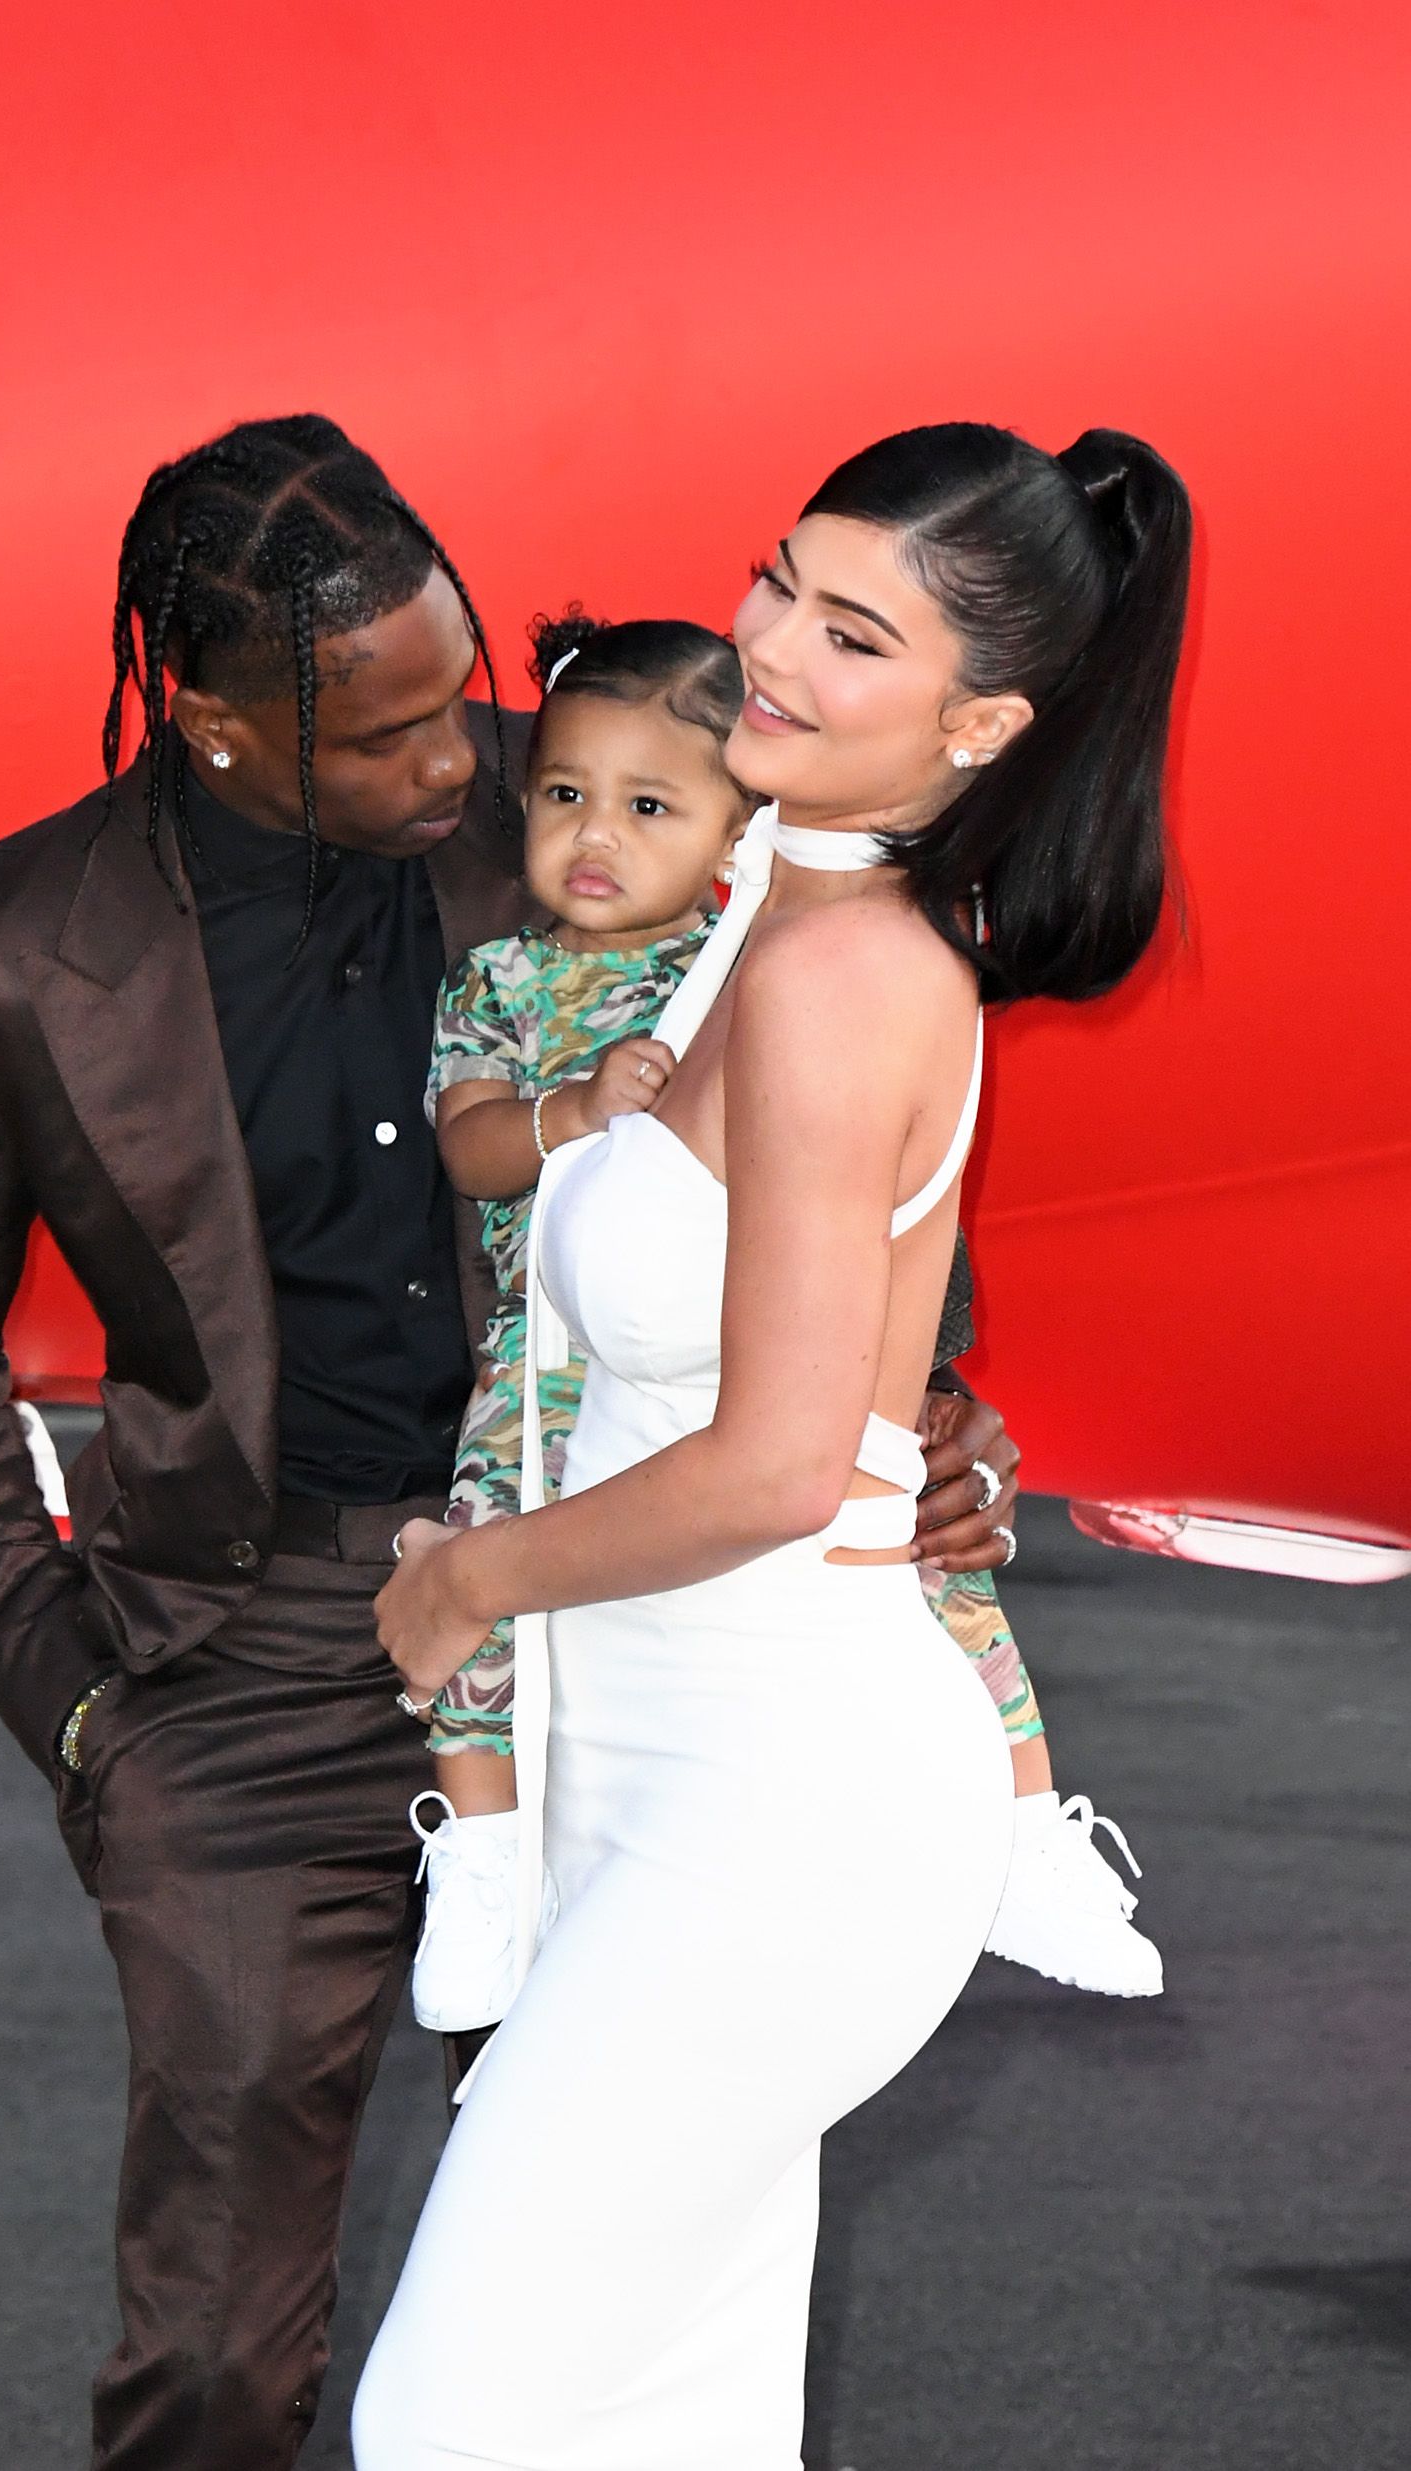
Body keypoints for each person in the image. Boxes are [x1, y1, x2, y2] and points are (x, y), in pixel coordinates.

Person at [0, 411, 1021, 2470]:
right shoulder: (12, 949)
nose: (460, 766)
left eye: (457, 688)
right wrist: (74, 1700)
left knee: (616, 2319)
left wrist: (920, 1420)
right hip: (244, 1662)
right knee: (209, 2353)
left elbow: (821, 1175)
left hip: (613, 1627)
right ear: (208, 721)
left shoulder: (617, 807)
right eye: (382, 738)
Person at [355, 420, 1191, 2468]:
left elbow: (779, 1462)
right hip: (643, 1769)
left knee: (452, 2425)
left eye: (850, 634)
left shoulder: (840, 975)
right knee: (659, 2427)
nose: (769, 653)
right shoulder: (754, 908)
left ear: (979, 723)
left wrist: (460, 1579)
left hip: (775, 1803)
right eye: (773, 584)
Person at [413, 610, 1158, 2035]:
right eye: (565, 796)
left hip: (755, 1373)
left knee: (929, 1562)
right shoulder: (498, 983)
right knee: (484, 1564)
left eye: (650, 807)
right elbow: (470, 1149)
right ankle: (486, 1854)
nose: (596, 837)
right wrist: (573, 1112)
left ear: (734, 827)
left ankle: (1022, 1823)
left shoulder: (769, 956)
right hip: (547, 1358)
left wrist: (935, 1389)